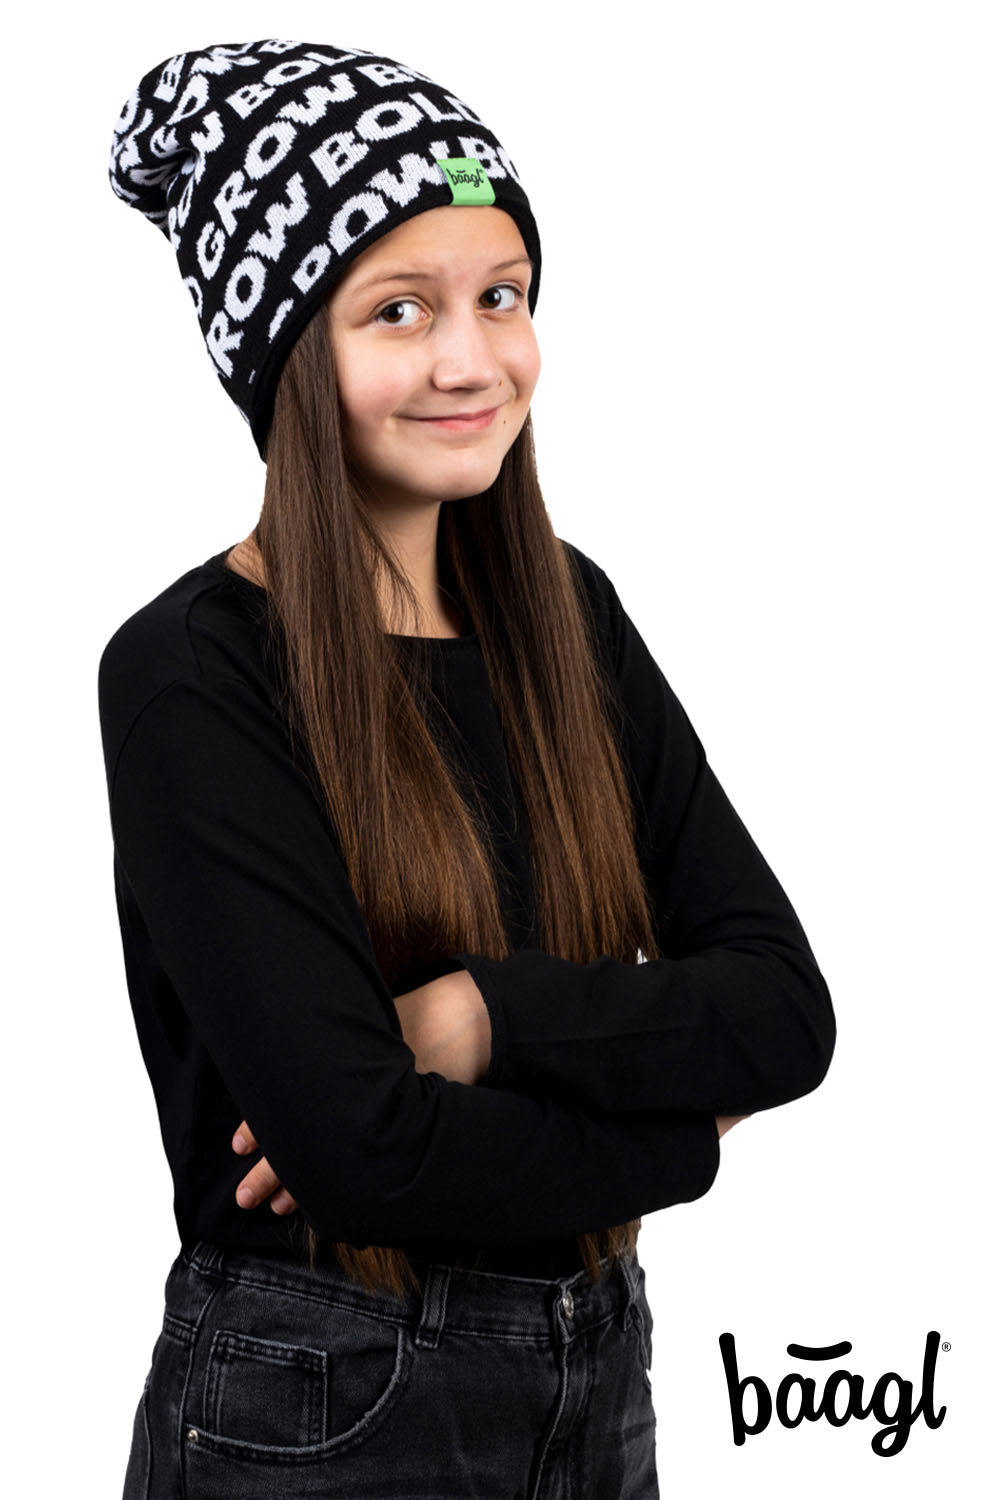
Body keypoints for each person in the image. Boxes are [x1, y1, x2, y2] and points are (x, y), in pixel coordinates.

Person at [101, 37, 836, 1500]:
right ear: (287, 356)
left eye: (502, 294)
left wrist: (482, 1018)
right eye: (399, 309)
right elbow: (365, 1157)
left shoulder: (568, 616)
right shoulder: (193, 673)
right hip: (319, 1402)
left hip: (596, 1376)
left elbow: (783, 1011)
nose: (471, 359)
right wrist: (683, 1136)